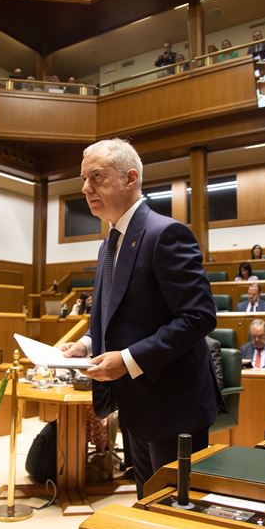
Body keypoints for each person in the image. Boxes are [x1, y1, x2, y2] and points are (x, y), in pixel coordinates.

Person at [59, 138, 220, 500]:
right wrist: (86, 343)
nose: (85, 188)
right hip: (136, 402)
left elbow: (198, 317)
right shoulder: (109, 242)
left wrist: (128, 359)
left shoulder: (166, 233)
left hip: (173, 404)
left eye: (96, 177)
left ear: (130, 178)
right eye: (83, 179)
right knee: (147, 501)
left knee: (175, 509)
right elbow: (120, 312)